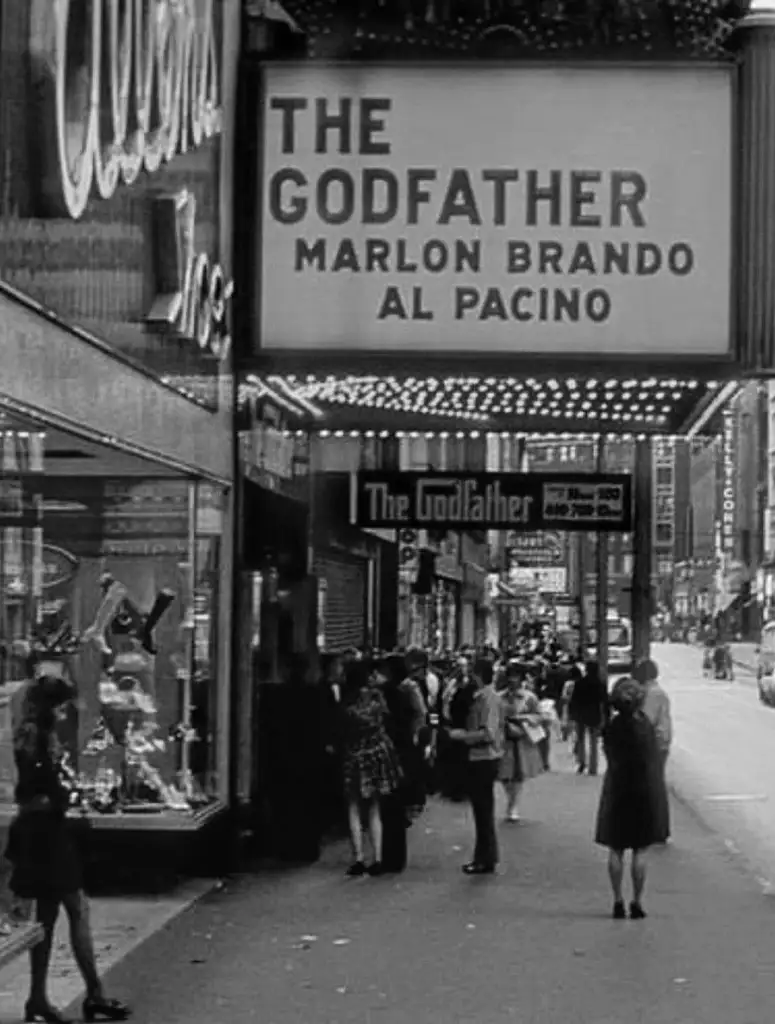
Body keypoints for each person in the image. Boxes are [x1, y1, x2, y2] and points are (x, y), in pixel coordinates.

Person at [5, 656, 130, 1023]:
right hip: (46, 834)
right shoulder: (39, 743)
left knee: (46, 916)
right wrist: (63, 795)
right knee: (76, 908)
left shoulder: (29, 735)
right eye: (60, 709)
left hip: (38, 831)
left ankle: (39, 997)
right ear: (50, 710)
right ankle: (93, 993)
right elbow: (38, 791)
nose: (64, 716)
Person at [594, 677, 670, 920]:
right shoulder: (644, 726)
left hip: (617, 788)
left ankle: (617, 900)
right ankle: (637, 901)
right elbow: (655, 756)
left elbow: (608, 753)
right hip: (643, 790)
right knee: (640, 850)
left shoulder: (611, 727)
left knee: (615, 849)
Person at [339, 660, 402, 877]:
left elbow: (342, 727)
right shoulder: (376, 698)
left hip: (354, 754)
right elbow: (386, 719)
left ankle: (358, 857)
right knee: (375, 806)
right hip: (376, 753)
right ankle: (378, 857)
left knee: (354, 806)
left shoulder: (347, 701)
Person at [448, 660, 503, 875]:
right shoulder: (485, 697)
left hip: (483, 758)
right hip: (483, 758)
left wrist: (462, 737)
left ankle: (485, 858)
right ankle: (485, 856)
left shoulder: (487, 699)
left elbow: (488, 733)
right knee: (482, 811)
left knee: (483, 812)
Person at [497, 662, 544, 822]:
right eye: (510, 676)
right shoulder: (499, 696)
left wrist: (523, 718)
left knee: (518, 774)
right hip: (503, 739)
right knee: (503, 774)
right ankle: (511, 801)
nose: (512, 679)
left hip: (521, 740)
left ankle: (513, 805)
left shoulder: (529, 697)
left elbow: (540, 716)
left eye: (516, 676)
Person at [568, 660, 608, 775]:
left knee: (580, 739)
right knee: (593, 740)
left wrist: (572, 713)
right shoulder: (600, 684)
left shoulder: (580, 683)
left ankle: (581, 762)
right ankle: (593, 766)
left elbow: (574, 699)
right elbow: (603, 702)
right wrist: (604, 716)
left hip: (581, 713)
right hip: (594, 714)